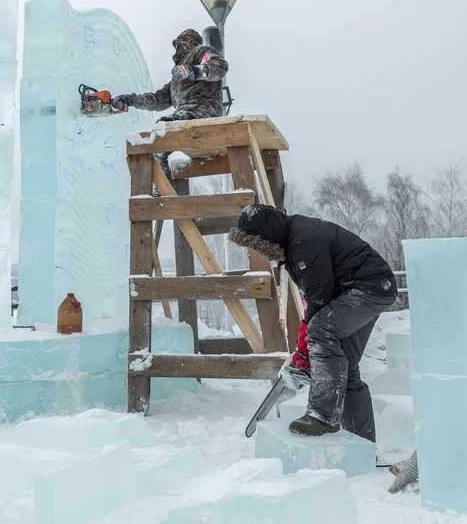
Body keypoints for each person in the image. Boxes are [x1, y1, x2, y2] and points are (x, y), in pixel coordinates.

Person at [228, 204, 397, 441]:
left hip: (368, 288)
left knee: (321, 330)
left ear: (267, 235)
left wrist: (305, 351)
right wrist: (306, 351)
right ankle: (361, 442)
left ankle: (322, 415)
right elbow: (316, 297)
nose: (260, 252)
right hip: (365, 289)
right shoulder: (293, 240)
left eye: (258, 245)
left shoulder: (303, 242)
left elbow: (319, 296)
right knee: (345, 367)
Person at [111, 28, 228, 183]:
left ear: (185, 43)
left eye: (179, 44)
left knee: (161, 132)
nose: (176, 49)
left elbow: (219, 66)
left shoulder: (201, 52)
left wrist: (194, 71)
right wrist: (130, 100)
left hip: (202, 113)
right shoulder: (176, 80)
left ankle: (161, 192)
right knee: (157, 141)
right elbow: (158, 99)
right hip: (184, 116)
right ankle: (162, 190)